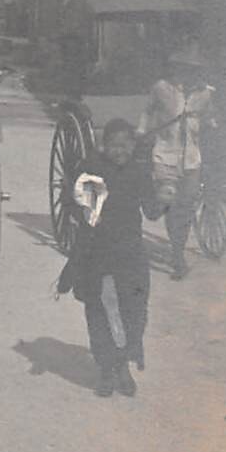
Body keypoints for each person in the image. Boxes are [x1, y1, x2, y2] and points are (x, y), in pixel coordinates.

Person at [65, 117, 161, 398]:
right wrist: (83, 208)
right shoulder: (92, 170)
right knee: (99, 311)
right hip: (98, 254)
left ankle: (123, 364)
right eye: (114, 145)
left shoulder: (139, 172)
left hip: (130, 254)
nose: (120, 151)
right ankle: (106, 369)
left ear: (133, 146)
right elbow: (73, 205)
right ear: (104, 146)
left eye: (126, 145)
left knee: (134, 310)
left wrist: (167, 199)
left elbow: (152, 210)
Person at [137, 43, 214, 280]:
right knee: (166, 202)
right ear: (176, 68)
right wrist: (141, 130)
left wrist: (212, 124)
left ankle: (178, 256)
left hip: (192, 160)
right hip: (165, 155)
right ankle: (152, 206)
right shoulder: (162, 88)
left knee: (185, 208)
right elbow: (148, 111)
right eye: (184, 68)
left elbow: (208, 116)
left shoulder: (205, 93)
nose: (189, 74)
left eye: (194, 69)